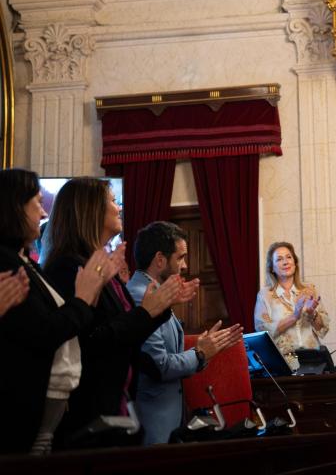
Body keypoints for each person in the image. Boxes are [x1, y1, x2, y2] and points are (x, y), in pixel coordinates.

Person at [42, 177, 189, 448]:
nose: (119, 207)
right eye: (112, 200)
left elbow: (128, 336)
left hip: (117, 403)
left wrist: (157, 310)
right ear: (91, 210)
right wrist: (147, 312)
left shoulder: (101, 268)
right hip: (89, 410)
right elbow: (89, 342)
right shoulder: (69, 267)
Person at [0, 169, 113, 455]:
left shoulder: (22, 260)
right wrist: (85, 299)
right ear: (15, 207)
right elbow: (44, 332)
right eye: (36, 203)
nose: (41, 213)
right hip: (22, 412)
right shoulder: (7, 262)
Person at [127, 221, 243, 445]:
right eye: (180, 257)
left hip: (169, 419)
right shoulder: (140, 296)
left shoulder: (156, 294)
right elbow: (159, 365)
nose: (185, 265)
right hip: (153, 423)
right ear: (160, 260)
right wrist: (199, 354)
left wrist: (204, 351)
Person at [254, 242, 330, 369]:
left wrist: (313, 314)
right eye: (279, 259)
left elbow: (324, 328)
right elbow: (262, 331)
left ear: (295, 262)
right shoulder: (265, 295)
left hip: (312, 356)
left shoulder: (310, 290)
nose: (285, 262)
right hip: (285, 358)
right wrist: (294, 316)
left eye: (289, 257)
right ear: (272, 267)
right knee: (294, 383)